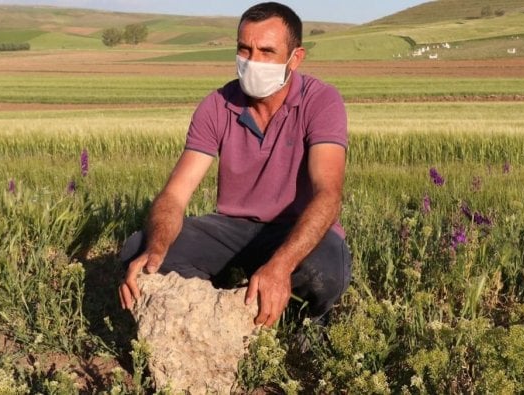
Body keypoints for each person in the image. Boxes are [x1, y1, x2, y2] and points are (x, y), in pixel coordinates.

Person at [118, 2, 351, 327]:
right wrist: (156, 249)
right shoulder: (217, 106)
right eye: (245, 49)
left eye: (267, 52)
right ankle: (217, 311)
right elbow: (174, 196)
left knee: (323, 272)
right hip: (232, 229)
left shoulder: (321, 101)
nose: (253, 61)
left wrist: (281, 265)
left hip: (294, 227)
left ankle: (304, 324)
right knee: (137, 252)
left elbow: (328, 194)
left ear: (295, 58)